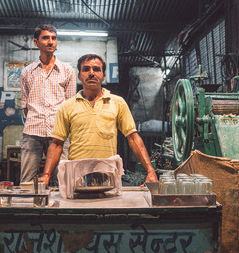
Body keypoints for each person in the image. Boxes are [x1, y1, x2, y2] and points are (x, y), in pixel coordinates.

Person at [40, 54, 158, 185]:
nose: (91, 73)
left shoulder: (117, 102)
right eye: (86, 69)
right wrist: (46, 175)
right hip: (77, 177)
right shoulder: (66, 106)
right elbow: (57, 144)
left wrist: (150, 171)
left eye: (96, 69)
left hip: (107, 176)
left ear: (103, 76)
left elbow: (133, 138)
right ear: (79, 76)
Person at [19, 24, 76, 183]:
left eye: (53, 38)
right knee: (27, 181)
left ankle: (61, 209)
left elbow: (70, 106)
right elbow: (25, 105)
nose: (50, 42)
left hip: (59, 134)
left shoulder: (67, 71)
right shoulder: (26, 72)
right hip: (32, 131)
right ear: (36, 42)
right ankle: (28, 208)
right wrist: (36, 119)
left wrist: (63, 131)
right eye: (45, 38)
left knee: (63, 180)